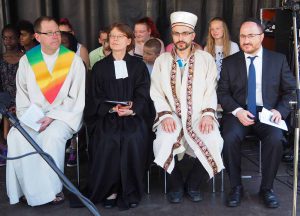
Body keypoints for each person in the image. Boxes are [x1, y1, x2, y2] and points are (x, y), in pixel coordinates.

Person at [6, 16, 86, 206]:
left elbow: (76, 98)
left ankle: (52, 191)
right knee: (17, 136)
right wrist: (30, 118)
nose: (55, 36)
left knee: (52, 137)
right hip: (33, 115)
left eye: (57, 32)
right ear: (37, 36)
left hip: (63, 116)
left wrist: (52, 116)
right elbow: (22, 95)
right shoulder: (27, 61)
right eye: (49, 33)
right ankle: (27, 189)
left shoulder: (72, 61)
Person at [217, 18, 296, 208]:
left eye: (251, 36)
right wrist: (236, 111)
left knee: (276, 139)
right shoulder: (229, 63)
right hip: (240, 110)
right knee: (228, 138)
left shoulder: (278, 60)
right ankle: (236, 187)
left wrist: (281, 109)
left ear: (261, 37)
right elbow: (222, 93)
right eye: (242, 36)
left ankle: (267, 188)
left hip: (268, 112)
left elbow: (291, 90)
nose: (245, 40)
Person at [150, 11, 224, 204]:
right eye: (177, 33)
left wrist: (209, 114)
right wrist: (165, 115)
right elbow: (156, 92)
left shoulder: (206, 59)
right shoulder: (162, 60)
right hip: (172, 114)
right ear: (172, 35)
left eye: (185, 33)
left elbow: (211, 89)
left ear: (193, 35)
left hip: (200, 114)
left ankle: (193, 183)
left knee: (214, 139)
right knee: (163, 140)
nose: (181, 38)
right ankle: (175, 184)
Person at [85, 23, 154, 210]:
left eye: (120, 36)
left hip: (133, 115)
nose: (115, 39)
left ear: (128, 40)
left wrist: (133, 109)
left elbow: (144, 92)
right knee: (108, 139)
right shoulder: (99, 67)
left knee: (132, 138)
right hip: (108, 115)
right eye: (112, 36)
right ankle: (110, 189)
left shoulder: (138, 65)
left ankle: (129, 190)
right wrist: (111, 108)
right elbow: (94, 96)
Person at [0, 24, 23, 166]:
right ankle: (3, 147)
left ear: (18, 38)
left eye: (11, 38)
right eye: (5, 38)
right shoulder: (0, 58)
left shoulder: (25, 58)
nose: (8, 42)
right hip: (3, 98)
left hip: (21, 99)